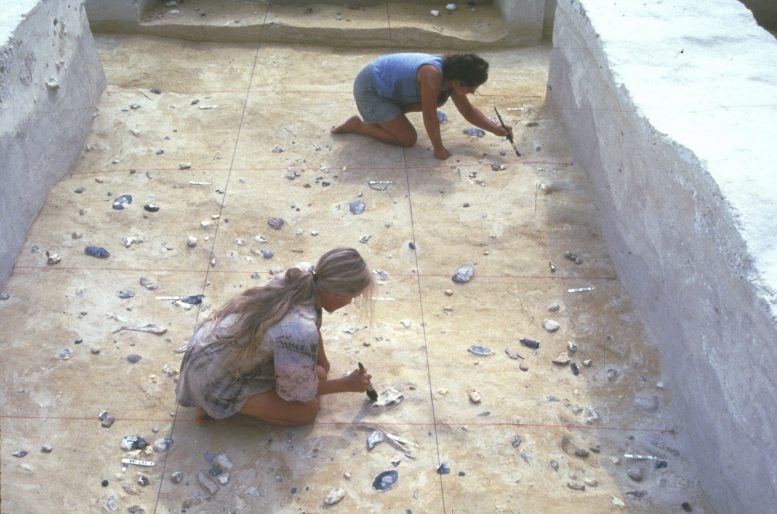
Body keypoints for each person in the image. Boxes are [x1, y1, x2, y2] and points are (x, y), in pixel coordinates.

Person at [176, 247, 375, 427]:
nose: (349, 302)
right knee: (308, 410)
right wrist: (346, 384)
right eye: (352, 297)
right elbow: (295, 393)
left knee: (319, 373)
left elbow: (313, 329)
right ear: (338, 294)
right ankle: (218, 406)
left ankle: (243, 400)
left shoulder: (304, 274)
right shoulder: (299, 328)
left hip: (211, 353)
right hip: (210, 380)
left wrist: (324, 367)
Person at [331, 52, 513, 160]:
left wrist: (495, 129)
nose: (473, 91)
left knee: (440, 100)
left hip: (390, 88)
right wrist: (438, 149)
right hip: (371, 88)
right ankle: (357, 126)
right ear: (458, 81)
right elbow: (429, 115)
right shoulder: (432, 74)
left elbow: (468, 111)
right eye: (472, 87)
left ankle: (391, 116)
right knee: (407, 139)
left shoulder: (451, 76)